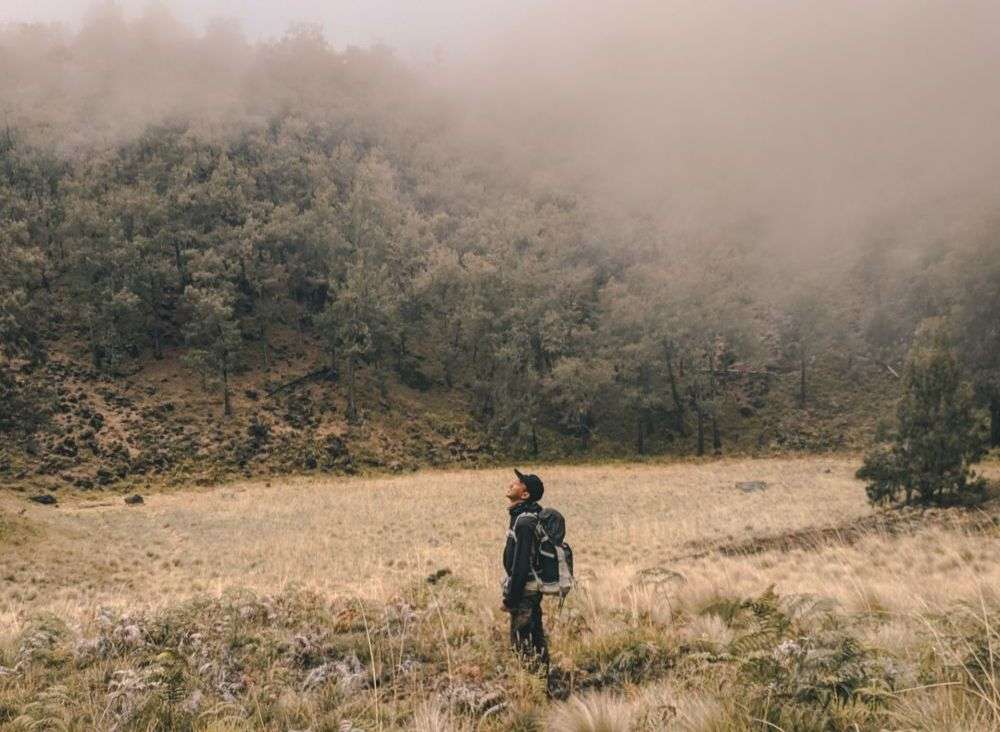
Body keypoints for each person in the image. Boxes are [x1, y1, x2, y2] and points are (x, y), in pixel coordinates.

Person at [501, 468, 549, 670]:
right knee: (535, 642)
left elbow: (520, 566)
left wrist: (510, 599)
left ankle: (534, 690)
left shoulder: (525, 522)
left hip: (524, 594)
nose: (512, 483)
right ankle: (543, 687)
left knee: (523, 647)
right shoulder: (525, 517)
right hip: (529, 591)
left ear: (525, 494)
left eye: (518, 483)